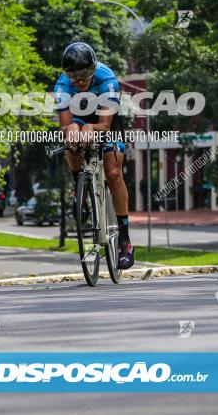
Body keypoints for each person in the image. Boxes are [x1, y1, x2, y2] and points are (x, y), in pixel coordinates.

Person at [54, 41, 134, 269]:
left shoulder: (106, 79)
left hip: (105, 121)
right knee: (70, 138)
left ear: (94, 68)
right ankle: (79, 184)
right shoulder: (62, 85)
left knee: (113, 172)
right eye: (73, 76)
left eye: (85, 74)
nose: (79, 80)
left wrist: (91, 129)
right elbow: (65, 125)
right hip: (79, 120)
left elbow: (105, 126)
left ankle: (125, 240)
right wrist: (74, 131)